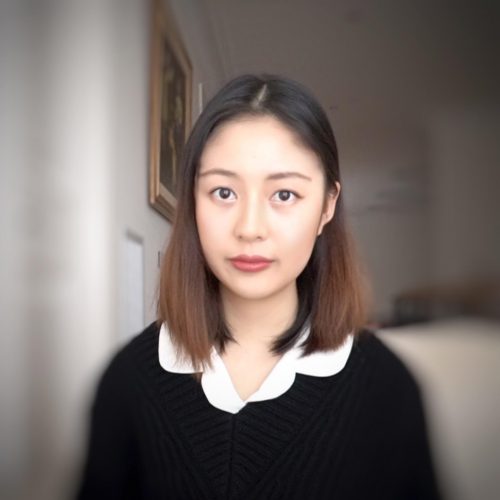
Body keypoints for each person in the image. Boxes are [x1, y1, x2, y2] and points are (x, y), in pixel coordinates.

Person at [75, 74, 442, 499]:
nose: (250, 228)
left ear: (327, 206)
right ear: (192, 200)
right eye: (223, 192)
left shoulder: (386, 387)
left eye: (284, 195)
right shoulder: (128, 381)